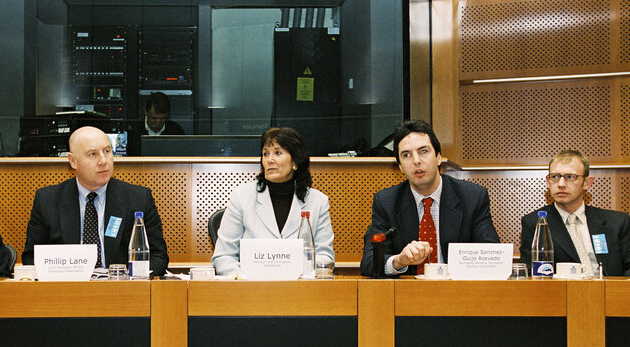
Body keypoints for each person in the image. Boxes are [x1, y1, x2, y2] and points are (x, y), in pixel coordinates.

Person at [22, 125, 169, 275]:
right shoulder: (47, 200)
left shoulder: (138, 198)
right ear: (73, 161)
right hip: (68, 291)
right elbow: (31, 258)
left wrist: (128, 278)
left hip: (120, 290)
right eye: (92, 154)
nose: (103, 161)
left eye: (107, 151)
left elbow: (158, 257)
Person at [360, 120, 499, 277]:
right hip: (409, 295)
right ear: (400, 167)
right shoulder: (386, 202)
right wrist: (399, 261)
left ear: (438, 157)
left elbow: (492, 255)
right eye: (406, 155)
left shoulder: (472, 197)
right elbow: (369, 262)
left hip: (459, 292)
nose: (416, 161)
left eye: (423, 151)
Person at [211, 127, 334, 276]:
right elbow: (223, 256)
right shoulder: (241, 197)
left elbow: (325, 258)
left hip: (300, 290)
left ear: (295, 160)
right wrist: (245, 278)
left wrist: (299, 276)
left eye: (278, 153)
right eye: (265, 154)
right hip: (251, 290)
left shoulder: (318, 202)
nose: (270, 160)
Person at [520, 150, 630, 276]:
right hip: (562, 294)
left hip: (610, 293)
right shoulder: (535, 223)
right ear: (548, 182)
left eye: (570, 177)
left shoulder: (617, 222)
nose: (561, 184)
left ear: (587, 183)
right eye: (555, 177)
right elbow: (529, 273)